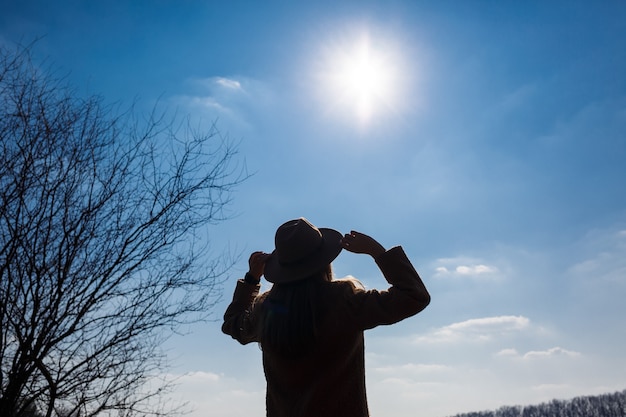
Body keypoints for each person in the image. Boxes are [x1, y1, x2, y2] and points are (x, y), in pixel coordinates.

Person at [222, 218, 431, 417]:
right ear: (324, 261)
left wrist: (251, 279)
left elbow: (233, 324)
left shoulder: (266, 310)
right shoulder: (343, 301)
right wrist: (377, 252)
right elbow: (414, 296)